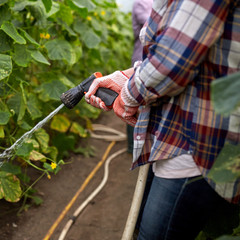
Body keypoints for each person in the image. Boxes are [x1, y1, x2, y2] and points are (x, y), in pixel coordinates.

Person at [85, 0, 240, 239]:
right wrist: (126, 76)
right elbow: (182, 45)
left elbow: (174, 59)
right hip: (185, 127)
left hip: (196, 137)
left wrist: (128, 96)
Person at [127, 0, 153, 153]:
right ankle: (132, 147)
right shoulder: (141, 3)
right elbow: (151, 25)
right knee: (134, 102)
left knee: (146, 104)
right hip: (140, 59)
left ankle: (144, 145)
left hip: (153, 62)